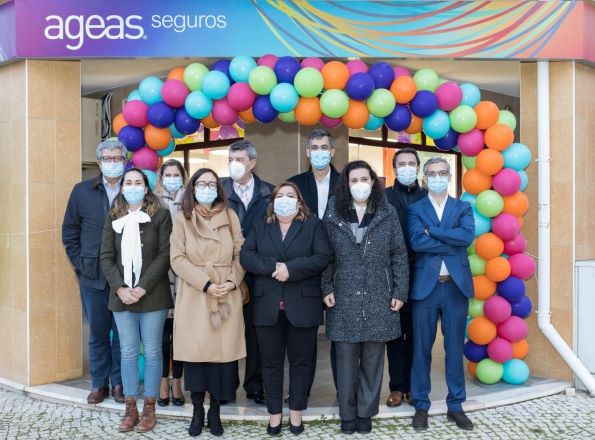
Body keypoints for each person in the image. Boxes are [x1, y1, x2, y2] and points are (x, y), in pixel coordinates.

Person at [321, 160, 409, 435]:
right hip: (343, 295)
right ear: (346, 185)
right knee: (345, 362)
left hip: (379, 294)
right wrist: (326, 287)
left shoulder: (387, 212)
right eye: (354, 180)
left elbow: (399, 254)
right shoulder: (333, 212)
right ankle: (347, 415)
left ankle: (365, 413)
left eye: (364, 179)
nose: (360, 184)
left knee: (373, 361)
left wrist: (399, 291)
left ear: (373, 182)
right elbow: (325, 255)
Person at [240, 182, 331, 436]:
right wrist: (274, 267)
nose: (285, 199)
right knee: (270, 363)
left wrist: (291, 269)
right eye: (280, 195)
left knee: (301, 362)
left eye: (291, 195)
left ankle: (296, 412)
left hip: (303, 305)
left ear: (299, 202)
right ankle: (274, 415)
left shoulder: (313, 225)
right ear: (272, 201)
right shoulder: (261, 225)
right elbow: (246, 256)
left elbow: (322, 257)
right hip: (267, 306)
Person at [171, 168, 246, 437]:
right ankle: (196, 410)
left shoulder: (230, 215)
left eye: (212, 184)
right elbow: (177, 258)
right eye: (201, 184)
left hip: (225, 291)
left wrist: (232, 281)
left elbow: (241, 252)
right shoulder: (182, 217)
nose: (207, 188)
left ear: (219, 189)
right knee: (196, 354)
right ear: (192, 188)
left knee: (221, 358)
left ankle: (215, 410)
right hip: (196, 292)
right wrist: (205, 284)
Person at [100, 168, 173, 433]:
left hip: (153, 294)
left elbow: (165, 254)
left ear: (145, 187)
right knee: (128, 352)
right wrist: (120, 287)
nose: (132, 186)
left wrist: (142, 287)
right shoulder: (113, 215)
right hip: (121, 297)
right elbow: (106, 256)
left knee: (152, 351)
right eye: (128, 182)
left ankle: (149, 409)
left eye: (137, 182)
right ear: (122, 187)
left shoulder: (161, 215)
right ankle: (130, 408)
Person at [407, 157, 475, 432]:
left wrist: (433, 231)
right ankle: (421, 405)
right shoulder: (415, 209)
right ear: (425, 179)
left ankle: (455, 405)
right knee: (421, 349)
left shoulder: (463, 207)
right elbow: (417, 242)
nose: (437, 177)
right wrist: (450, 240)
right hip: (426, 288)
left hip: (455, 287)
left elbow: (466, 237)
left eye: (442, 172)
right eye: (432, 173)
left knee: (454, 349)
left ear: (449, 176)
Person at [62, 139, 125, 405]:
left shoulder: (134, 189)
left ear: (125, 161)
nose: (112, 163)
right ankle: (99, 384)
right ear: (99, 163)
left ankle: (120, 383)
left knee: (122, 334)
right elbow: (70, 231)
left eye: (117, 158)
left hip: (125, 276)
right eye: (107, 159)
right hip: (93, 276)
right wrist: (80, 263)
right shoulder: (82, 191)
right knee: (98, 333)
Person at [287, 129, 341, 397]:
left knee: (341, 336)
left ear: (332, 151)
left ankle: (345, 391)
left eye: (324, 147)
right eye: (315, 147)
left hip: (341, 269)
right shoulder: (294, 185)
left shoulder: (345, 184)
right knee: (304, 339)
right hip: (306, 269)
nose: (320, 152)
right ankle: (300, 392)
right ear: (307, 152)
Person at [221, 139, 274, 406]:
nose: (234, 165)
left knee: (257, 332)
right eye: (231, 159)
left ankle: (255, 385)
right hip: (226, 272)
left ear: (252, 163)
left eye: (240, 160)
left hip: (257, 273)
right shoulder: (217, 190)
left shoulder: (270, 193)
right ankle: (225, 387)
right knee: (226, 329)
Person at [384, 148, 427, 408]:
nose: (407, 167)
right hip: (391, 275)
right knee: (395, 334)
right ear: (394, 169)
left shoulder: (427, 196)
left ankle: (413, 386)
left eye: (412, 163)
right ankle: (397, 387)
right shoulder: (384, 197)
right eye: (402, 164)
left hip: (422, 274)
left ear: (418, 167)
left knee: (417, 334)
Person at [154, 159, 187, 407]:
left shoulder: (191, 201)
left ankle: (178, 381)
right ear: (161, 177)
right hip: (160, 277)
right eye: (168, 175)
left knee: (182, 336)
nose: (172, 179)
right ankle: (163, 381)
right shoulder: (152, 201)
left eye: (177, 175)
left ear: (183, 177)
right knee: (163, 336)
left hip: (185, 277)